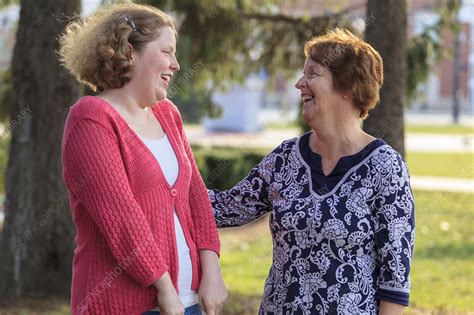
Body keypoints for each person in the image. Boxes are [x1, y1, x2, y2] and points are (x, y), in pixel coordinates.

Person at [209, 28, 415, 315]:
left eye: (312, 74)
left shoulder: (385, 168)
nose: (299, 83)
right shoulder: (285, 158)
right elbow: (224, 208)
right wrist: (163, 175)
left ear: (347, 85)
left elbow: (395, 281)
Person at [59, 4, 227, 315]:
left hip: (190, 301)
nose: (176, 64)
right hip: (126, 304)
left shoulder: (168, 114)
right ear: (128, 51)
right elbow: (121, 218)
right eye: (166, 51)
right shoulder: (91, 119)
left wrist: (212, 269)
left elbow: (196, 197)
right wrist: (164, 288)